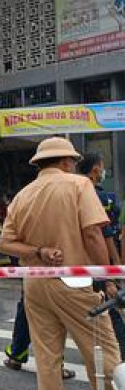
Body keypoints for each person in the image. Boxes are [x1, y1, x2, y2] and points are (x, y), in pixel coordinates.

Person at [0, 137, 120, 390]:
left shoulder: (22, 195)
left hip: (34, 284)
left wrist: (38, 251)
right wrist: (105, 275)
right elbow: (92, 235)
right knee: (103, 351)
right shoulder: (79, 184)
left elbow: (6, 243)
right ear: (66, 161)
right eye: (73, 161)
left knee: (47, 358)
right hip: (74, 283)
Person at [78, 153, 125, 360]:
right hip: (100, 257)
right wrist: (114, 265)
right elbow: (107, 233)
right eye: (102, 167)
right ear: (96, 169)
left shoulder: (78, 193)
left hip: (83, 260)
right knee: (110, 305)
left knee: (107, 306)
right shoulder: (107, 197)